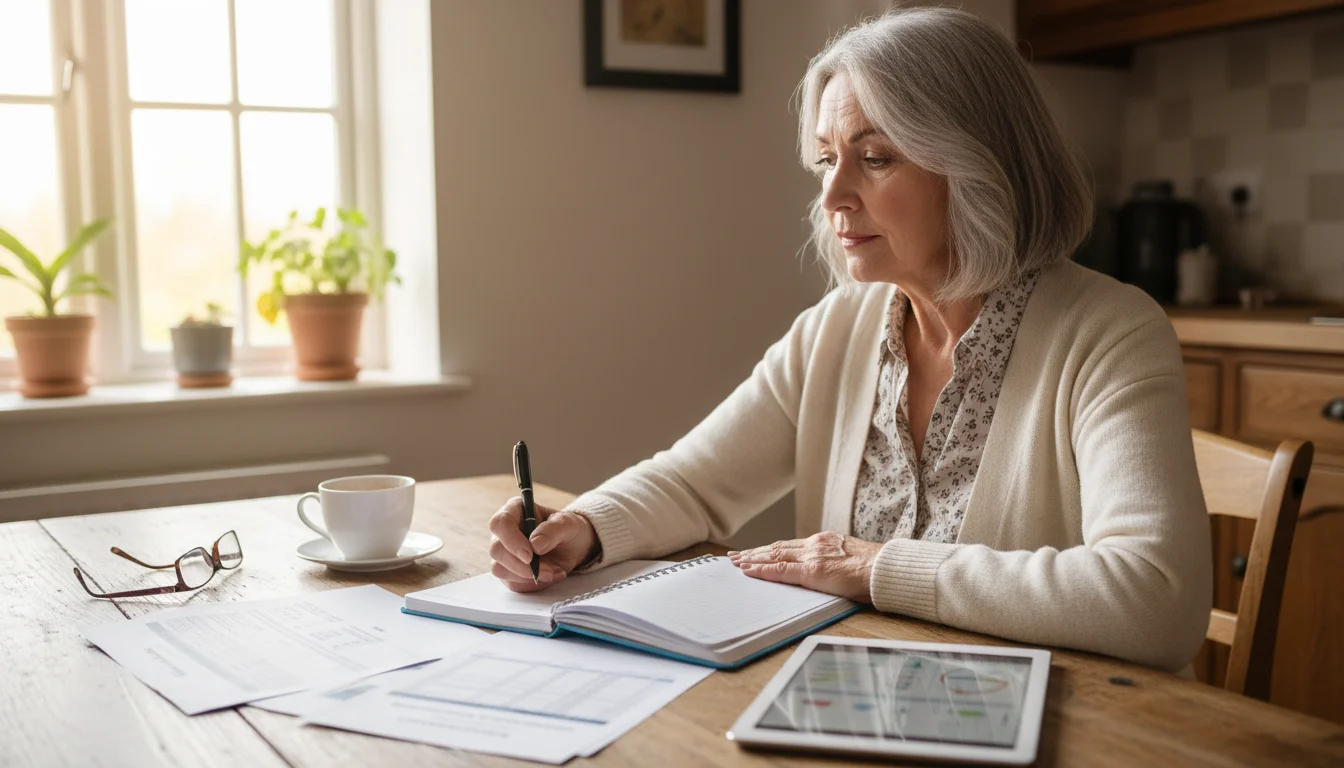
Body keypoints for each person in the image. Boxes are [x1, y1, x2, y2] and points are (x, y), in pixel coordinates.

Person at [486, 7, 1212, 673]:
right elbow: (694, 483)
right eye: (826, 159)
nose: (832, 197)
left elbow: (1156, 598)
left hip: (1055, 722)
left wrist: (871, 567)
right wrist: (583, 526)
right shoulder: (837, 329)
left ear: (976, 167)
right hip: (856, 699)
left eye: (876, 157)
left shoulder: (1111, 334)